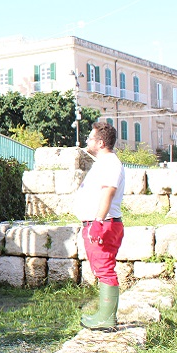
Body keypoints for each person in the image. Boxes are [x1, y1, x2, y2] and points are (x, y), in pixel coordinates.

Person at [73, 122, 126, 330]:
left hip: (103, 224)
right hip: (101, 223)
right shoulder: (104, 163)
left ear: (101, 142)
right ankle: (104, 315)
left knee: (105, 270)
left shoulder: (110, 164)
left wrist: (97, 222)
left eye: (90, 138)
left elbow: (108, 192)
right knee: (102, 269)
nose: (87, 140)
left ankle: (106, 319)